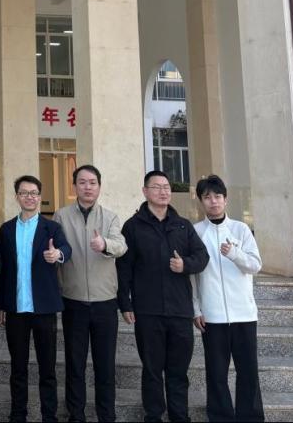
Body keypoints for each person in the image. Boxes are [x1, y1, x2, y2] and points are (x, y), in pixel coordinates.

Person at [118, 170, 210, 423]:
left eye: (166, 187)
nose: (163, 191)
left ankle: (180, 416)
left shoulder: (183, 225)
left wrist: (185, 265)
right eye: (157, 187)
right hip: (147, 310)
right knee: (152, 370)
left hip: (180, 310)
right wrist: (125, 303)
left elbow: (202, 257)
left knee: (178, 371)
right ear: (145, 191)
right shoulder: (133, 226)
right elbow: (124, 268)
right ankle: (154, 416)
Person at [53, 164, 127, 423]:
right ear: (74, 186)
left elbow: (121, 246)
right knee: (75, 364)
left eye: (92, 182)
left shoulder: (110, 217)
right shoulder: (61, 216)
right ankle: (76, 415)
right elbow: (58, 248)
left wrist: (104, 244)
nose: (88, 187)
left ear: (99, 186)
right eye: (82, 182)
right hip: (73, 301)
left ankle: (107, 415)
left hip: (105, 301)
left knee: (105, 365)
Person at [0, 175, 71, 423]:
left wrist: (57, 254)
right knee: (18, 367)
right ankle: (18, 415)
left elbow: (66, 249)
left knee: (47, 368)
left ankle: (49, 416)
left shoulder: (52, 228)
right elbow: (2, 269)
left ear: (40, 197)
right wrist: (0, 304)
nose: (29, 197)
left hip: (43, 308)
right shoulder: (6, 229)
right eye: (24, 193)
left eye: (34, 193)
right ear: (16, 197)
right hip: (16, 308)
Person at [191, 175, 264, 422]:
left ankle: (250, 417)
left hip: (244, 314)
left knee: (248, 372)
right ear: (201, 201)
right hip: (212, 317)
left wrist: (235, 253)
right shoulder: (196, 232)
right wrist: (196, 309)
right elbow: (192, 277)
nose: (213, 201)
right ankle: (220, 417)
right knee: (216, 373)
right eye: (207, 197)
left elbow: (255, 265)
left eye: (217, 196)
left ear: (226, 199)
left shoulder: (241, 229)